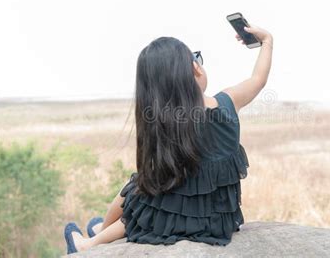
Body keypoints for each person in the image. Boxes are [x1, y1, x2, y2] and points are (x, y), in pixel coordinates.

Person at [64, 24, 273, 253]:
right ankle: (100, 234)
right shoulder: (228, 102)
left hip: (171, 220)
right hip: (218, 222)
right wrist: (267, 42)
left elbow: (149, 189)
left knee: (138, 189)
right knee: (143, 189)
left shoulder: (166, 117)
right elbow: (258, 79)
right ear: (195, 68)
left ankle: (92, 242)